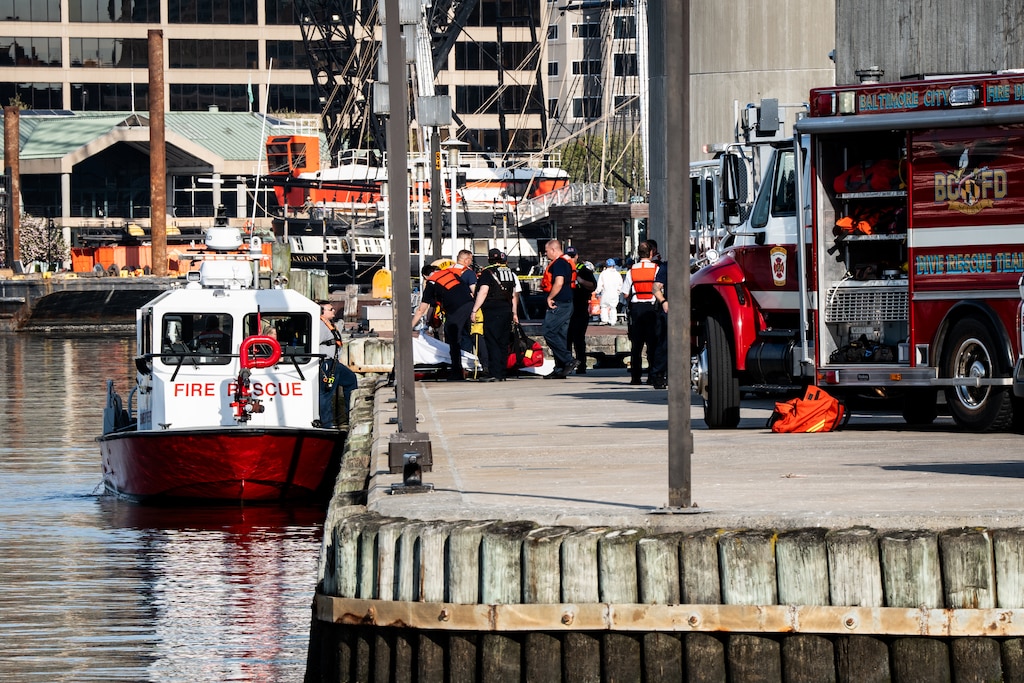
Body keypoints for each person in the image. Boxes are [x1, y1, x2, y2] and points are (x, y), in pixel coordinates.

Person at [411, 262, 475, 381]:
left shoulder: (431, 283)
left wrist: (409, 327)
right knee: (472, 335)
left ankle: (457, 372)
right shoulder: (451, 274)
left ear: (425, 276)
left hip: (456, 309)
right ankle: (482, 365)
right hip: (471, 305)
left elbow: (421, 310)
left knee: (453, 339)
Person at [471, 249, 519, 381]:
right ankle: (502, 372)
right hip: (507, 310)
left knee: (492, 342)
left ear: (489, 258)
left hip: (492, 311)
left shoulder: (487, 272)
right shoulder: (510, 272)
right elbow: (513, 295)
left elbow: (483, 291)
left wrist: (474, 310)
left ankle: (494, 373)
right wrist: (514, 312)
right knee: (503, 342)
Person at [620, 241, 660, 386]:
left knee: (636, 345)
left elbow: (625, 294)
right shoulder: (656, 269)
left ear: (638, 253)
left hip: (636, 308)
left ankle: (635, 378)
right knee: (653, 344)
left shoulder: (632, 270)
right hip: (652, 307)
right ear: (651, 253)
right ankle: (652, 376)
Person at [540, 238, 578, 379]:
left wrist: (550, 297)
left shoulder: (560, 263)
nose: (545, 254)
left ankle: (568, 360)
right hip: (567, 302)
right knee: (560, 335)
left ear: (553, 250)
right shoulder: (564, 262)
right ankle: (560, 368)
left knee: (548, 331)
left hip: (559, 303)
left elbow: (559, 282)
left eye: (546, 251)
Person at [318, 301, 359, 429]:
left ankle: (349, 414)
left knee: (350, 379)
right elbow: (315, 343)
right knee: (326, 393)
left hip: (335, 363)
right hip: (327, 365)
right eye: (330, 309)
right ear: (322, 312)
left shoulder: (329, 324)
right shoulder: (319, 325)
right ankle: (327, 424)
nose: (333, 311)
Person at [565, 246, 597, 374]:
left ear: (577, 256)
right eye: (569, 256)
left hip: (580, 307)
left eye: (573, 256)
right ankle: (566, 364)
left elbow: (593, 285)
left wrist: (581, 280)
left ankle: (581, 365)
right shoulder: (564, 269)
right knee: (566, 338)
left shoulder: (583, 270)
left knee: (578, 339)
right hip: (567, 308)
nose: (571, 259)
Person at [646, 239, 669, 390]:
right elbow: (655, 288)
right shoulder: (667, 267)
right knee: (665, 344)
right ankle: (658, 375)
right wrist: (664, 301)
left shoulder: (693, 266)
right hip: (668, 309)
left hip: (687, 308)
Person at [595, 258, 623, 326]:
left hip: (605, 293)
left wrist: (597, 291)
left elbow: (600, 284)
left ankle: (604, 320)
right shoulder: (617, 274)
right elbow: (620, 284)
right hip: (614, 294)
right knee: (613, 308)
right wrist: (618, 292)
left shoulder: (603, 273)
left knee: (604, 307)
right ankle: (613, 321)